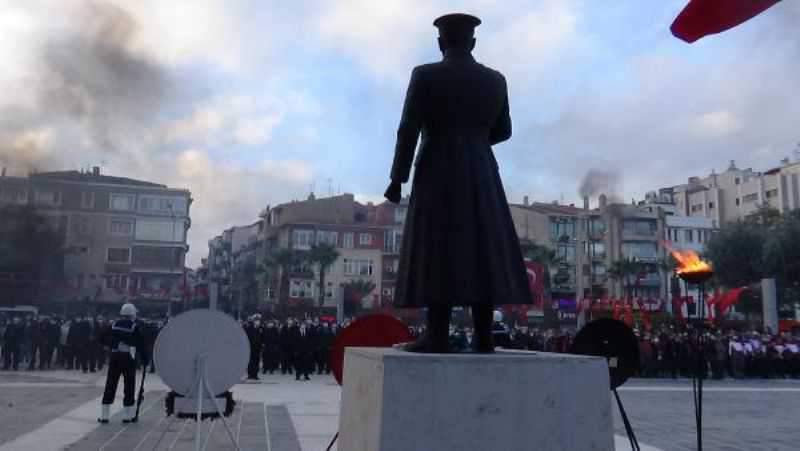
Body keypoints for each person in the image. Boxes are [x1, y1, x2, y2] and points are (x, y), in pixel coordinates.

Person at [384, 13, 531, 353]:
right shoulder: (495, 80)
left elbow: (408, 129)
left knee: (439, 244)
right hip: (481, 169)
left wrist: (397, 178)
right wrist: (475, 141)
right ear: (473, 43)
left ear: (440, 43)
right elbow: (504, 130)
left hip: (437, 166)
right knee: (481, 245)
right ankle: (484, 335)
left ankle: (437, 333)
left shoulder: (425, 75)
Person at [98, 303, 148, 424]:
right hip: (128, 358)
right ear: (132, 314)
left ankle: (104, 416)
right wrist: (145, 359)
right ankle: (127, 416)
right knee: (129, 385)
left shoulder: (113, 325)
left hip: (115, 357)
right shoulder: (135, 327)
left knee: (110, 384)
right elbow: (141, 345)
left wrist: (115, 344)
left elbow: (101, 338)